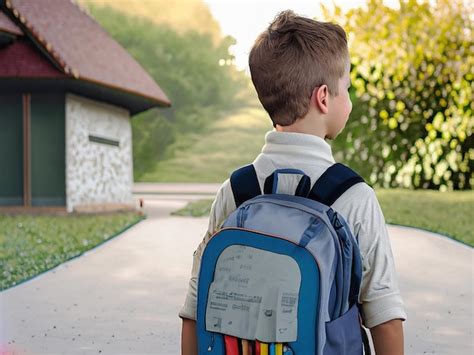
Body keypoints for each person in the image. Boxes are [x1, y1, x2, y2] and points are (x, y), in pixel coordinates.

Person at [180, 10, 406, 355]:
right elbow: (384, 315)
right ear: (324, 98)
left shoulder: (237, 191)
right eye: (345, 88)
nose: (349, 98)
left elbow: (196, 305)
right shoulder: (354, 197)